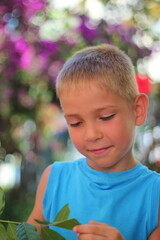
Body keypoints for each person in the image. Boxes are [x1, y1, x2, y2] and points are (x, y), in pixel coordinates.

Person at [27, 44, 160, 240]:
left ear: (137, 110)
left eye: (106, 117)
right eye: (76, 123)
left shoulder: (155, 196)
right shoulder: (54, 179)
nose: (91, 135)